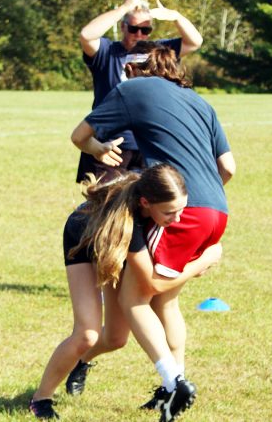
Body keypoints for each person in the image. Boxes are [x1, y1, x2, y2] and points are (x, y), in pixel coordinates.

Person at [70, 41, 236, 422]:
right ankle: (169, 396)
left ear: (136, 69)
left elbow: (79, 136)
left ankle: (174, 382)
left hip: (178, 210)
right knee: (166, 304)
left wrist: (99, 150)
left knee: (135, 301)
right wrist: (203, 202)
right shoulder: (198, 101)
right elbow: (228, 167)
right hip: (216, 210)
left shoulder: (132, 88)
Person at [29, 164, 223, 420]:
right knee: (86, 334)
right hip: (82, 241)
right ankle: (40, 399)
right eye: (169, 213)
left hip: (112, 245)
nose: (176, 221)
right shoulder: (129, 225)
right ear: (145, 203)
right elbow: (154, 286)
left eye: (181, 211)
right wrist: (203, 260)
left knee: (116, 338)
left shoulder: (150, 207)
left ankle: (80, 362)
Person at [76, 0, 203, 183]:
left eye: (146, 30)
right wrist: (123, 9)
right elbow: (86, 35)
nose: (139, 35)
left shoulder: (157, 52)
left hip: (149, 143)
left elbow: (194, 42)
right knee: (104, 206)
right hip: (111, 145)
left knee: (147, 206)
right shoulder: (107, 51)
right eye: (134, 28)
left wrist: (175, 16)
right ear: (123, 27)